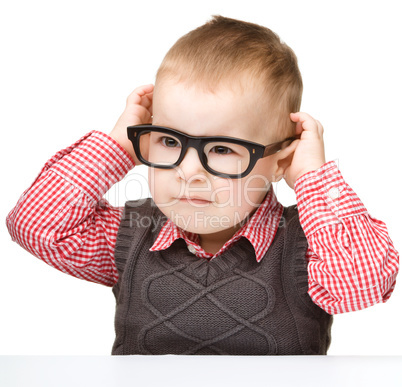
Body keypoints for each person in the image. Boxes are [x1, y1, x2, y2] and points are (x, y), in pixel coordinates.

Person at [6, 16, 399, 355]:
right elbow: (36, 225)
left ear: (281, 161)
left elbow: (362, 285)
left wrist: (313, 179)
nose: (189, 170)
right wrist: (119, 146)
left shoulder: (308, 244)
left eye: (223, 148)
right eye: (169, 141)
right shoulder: (130, 235)